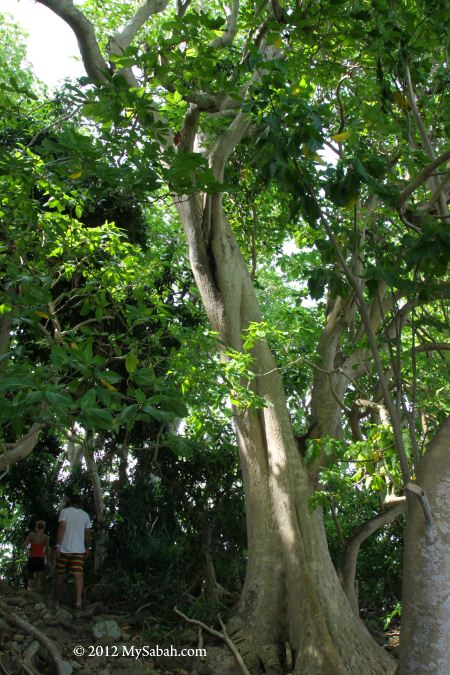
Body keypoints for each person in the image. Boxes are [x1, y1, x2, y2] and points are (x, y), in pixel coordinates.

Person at [54, 494, 92, 609]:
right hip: (79, 550)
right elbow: (88, 533)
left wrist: (57, 545)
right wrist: (88, 547)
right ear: (80, 503)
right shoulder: (85, 515)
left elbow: (61, 528)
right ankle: (78, 602)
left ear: (69, 502)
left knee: (60, 574)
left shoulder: (64, 512)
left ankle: (56, 601)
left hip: (64, 549)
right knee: (78, 575)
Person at [23, 520, 51, 592]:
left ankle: (29, 592)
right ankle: (37, 594)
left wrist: (30, 546)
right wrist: (48, 560)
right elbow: (47, 549)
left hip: (32, 558)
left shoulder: (31, 536)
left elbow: (23, 545)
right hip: (40, 559)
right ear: (44, 527)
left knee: (31, 576)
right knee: (38, 578)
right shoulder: (46, 537)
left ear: (36, 527)